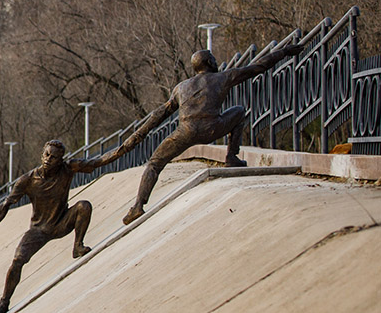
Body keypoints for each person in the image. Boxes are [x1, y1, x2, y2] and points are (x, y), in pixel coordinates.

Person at [120, 41, 301, 225]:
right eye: (212, 58)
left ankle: (137, 206)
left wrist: (139, 135)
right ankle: (231, 157)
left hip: (185, 132)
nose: (216, 61)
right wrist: (285, 51)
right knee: (238, 111)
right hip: (212, 127)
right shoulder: (223, 77)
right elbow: (258, 67)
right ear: (208, 62)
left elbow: (159, 114)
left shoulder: (181, 88)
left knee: (154, 163)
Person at [0, 139, 124, 313]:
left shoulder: (68, 168)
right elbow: (4, 206)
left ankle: (78, 245)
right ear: (42, 155)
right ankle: (4, 302)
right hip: (38, 231)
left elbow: (99, 162)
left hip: (61, 222)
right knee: (18, 260)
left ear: (61, 160)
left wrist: (125, 147)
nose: (49, 159)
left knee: (84, 206)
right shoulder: (27, 180)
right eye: (47, 155)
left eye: (55, 157)